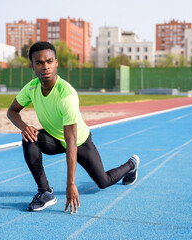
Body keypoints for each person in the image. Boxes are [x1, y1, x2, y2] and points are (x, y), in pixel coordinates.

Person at [7, 41, 139, 214]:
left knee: (103, 182)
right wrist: (24, 127)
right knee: (30, 138)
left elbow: (71, 141)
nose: (45, 66)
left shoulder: (66, 95)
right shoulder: (32, 87)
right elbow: (12, 111)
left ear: (56, 63)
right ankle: (45, 192)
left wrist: (71, 184)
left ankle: (131, 164)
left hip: (80, 141)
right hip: (55, 138)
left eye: (49, 61)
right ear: (32, 66)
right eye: (39, 63)